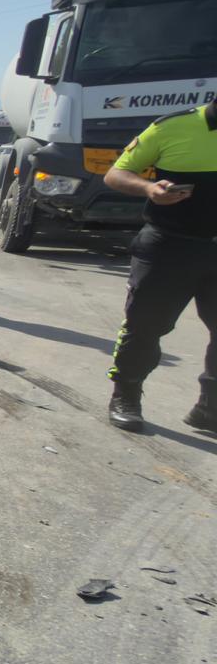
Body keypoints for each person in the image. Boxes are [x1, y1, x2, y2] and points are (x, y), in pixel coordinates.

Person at [100, 102, 217, 433]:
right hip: (170, 246)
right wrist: (150, 188)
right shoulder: (172, 127)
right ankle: (126, 396)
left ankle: (210, 408)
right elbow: (115, 174)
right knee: (145, 326)